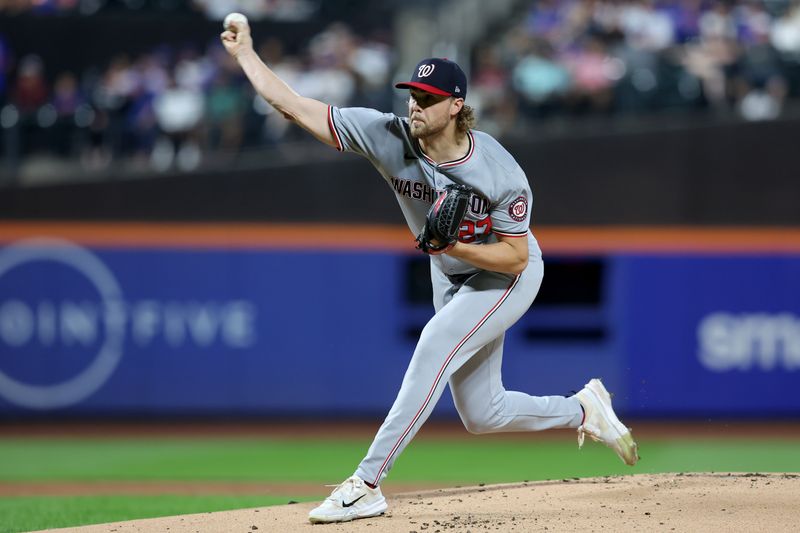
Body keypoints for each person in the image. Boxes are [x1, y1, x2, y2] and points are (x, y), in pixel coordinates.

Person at [220, 20, 639, 525]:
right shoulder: (387, 135)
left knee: (433, 343)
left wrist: (454, 242)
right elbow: (295, 104)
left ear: (456, 106)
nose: (415, 104)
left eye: (428, 97)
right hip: (450, 272)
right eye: (413, 94)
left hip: (506, 274)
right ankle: (583, 409)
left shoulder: (500, 172)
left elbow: (515, 257)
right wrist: (245, 55)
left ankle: (366, 483)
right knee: (483, 414)